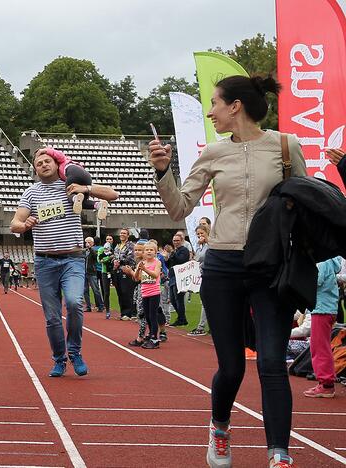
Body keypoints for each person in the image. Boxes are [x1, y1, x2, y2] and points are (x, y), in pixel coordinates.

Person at [150, 75, 307, 468]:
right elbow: (179, 209)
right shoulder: (213, 153)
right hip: (223, 265)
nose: (210, 112)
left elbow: (305, 202)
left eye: (215, 104)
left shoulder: (286, 146)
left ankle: (279, 455)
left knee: (272, 361)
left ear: (235, 105)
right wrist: (163, 172)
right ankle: (219, 428)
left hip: (271, 267)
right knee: (232, 366)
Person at [11, 146, 118, 378]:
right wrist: (25, 224)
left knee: (73, 303)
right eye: (39, 164)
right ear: (35, 170)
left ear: (56, 162)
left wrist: (86, 188)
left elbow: (113, 194)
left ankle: (75, 352)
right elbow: (14, 224)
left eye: (47, 161)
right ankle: (59, 359)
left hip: (73, 258)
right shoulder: (31, 193)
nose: (44, 165)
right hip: (44, 262)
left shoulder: (69, 186)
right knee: (51, 317)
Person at [303, 256, 343, 398]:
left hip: (322, 309)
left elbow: (317, 281)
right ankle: (326, 382)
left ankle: (326, 384)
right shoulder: (329, 262)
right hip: (325, 308)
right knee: (321, 346)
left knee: (319, 347)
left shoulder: (323, 261)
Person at [188, 225, 211, 336]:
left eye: (202, 233)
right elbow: (197, 259)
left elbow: (202, 257)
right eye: (198, 234)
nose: (200, 236)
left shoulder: (211, 244)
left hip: (211, 275)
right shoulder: (200, 246)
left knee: (206, 302)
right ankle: (207, 326)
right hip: (203, 275)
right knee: (206, 302)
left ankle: (201, 327)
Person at [166, 233, 191, 326]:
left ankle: (181, 319)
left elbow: (181, 260)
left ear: (182, 241)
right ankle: (182, 317)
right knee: (173, 299)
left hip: (180, 277)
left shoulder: (184, 250)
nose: (175, 242)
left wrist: (172, 253)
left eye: (177, 240)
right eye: (174, 240)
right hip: (173, 276)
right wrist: (167, 257)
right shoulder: (175, 251)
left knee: (178, 298)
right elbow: (169, 264)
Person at [112, 229, 136, 320]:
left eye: (124, 233)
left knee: (126, 292)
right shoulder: (117, 246)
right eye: (121, 233)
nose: (122, 234)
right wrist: (114, 261)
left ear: (128, 235)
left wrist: (120, 261)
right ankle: (123, 313)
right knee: (119, 292)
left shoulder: (130, 246)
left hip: (126, 271)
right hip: (117, 271)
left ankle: (128, 313)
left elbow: (131, 258)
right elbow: (114, 256)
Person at [83, 237, 103, 313]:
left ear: (92, 243)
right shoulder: (84, 251)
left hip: (92, 272)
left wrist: (90, 249)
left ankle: (100, 305)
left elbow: (96, 257)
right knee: (85, 290)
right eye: (86, 242)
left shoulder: (94, 251)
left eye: (89, 242)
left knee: (95, 290)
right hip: (84, 272)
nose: (87, 244)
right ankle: (88, 306)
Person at [97, 235, 114, 319]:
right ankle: (107, 310)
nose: (109, 240)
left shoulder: (115, 249)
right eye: (107, 239)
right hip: (105, 272)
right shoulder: (101, 249)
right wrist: (109, 257)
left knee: (120, 291)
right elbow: (100, 260)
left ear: (112, 240)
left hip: (114, 272)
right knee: (106, 292)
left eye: (110, 239)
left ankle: (124, 312)